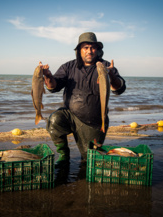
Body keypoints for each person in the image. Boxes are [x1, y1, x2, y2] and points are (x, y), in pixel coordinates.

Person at [41, 32, 126, 165]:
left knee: (88, 161)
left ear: (97, 50)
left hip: (94, 122)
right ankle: (63, 154)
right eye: (85, 47)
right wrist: (47, 75)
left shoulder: (106, 66)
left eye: (92, 47)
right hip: (71, 116)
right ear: (79, 50)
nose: (89, 51)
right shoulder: (68, 67)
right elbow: (53, 87)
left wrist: (111, 75)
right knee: (54, 119)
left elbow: (119, 89)